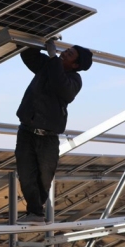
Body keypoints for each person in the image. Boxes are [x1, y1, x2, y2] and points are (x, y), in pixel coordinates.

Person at [14, 39, 93, 225]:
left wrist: (52, 58)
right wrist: (29, 37)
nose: (64, 53)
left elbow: (62, 87)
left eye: (69, 54)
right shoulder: (47, 66)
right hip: (26, 131)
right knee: (26, 173)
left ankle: (36, 211)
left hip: (48, 137)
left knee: (44, 176)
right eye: (67, 50)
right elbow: (29, 56)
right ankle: (35, 212)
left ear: (75, 65)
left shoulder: (74, 80)